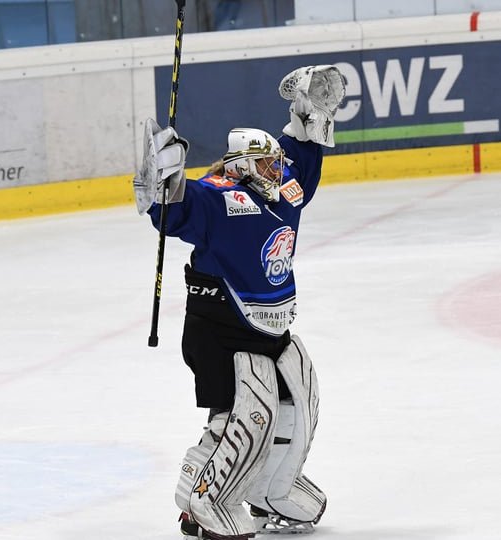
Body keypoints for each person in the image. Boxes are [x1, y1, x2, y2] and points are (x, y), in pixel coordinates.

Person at [133, 65, 346, 540]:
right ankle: (206, 500)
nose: (279, 170)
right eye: (268, 165)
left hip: (272, 326)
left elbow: (302, 153)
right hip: (219, 328)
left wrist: (310, 115)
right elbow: (176, 211)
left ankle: (270, 488)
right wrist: (161, 185)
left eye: (277, 162)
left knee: (297, 402)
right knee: (247, 415)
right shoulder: (219, 198)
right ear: (242, 166)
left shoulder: (286, 190)